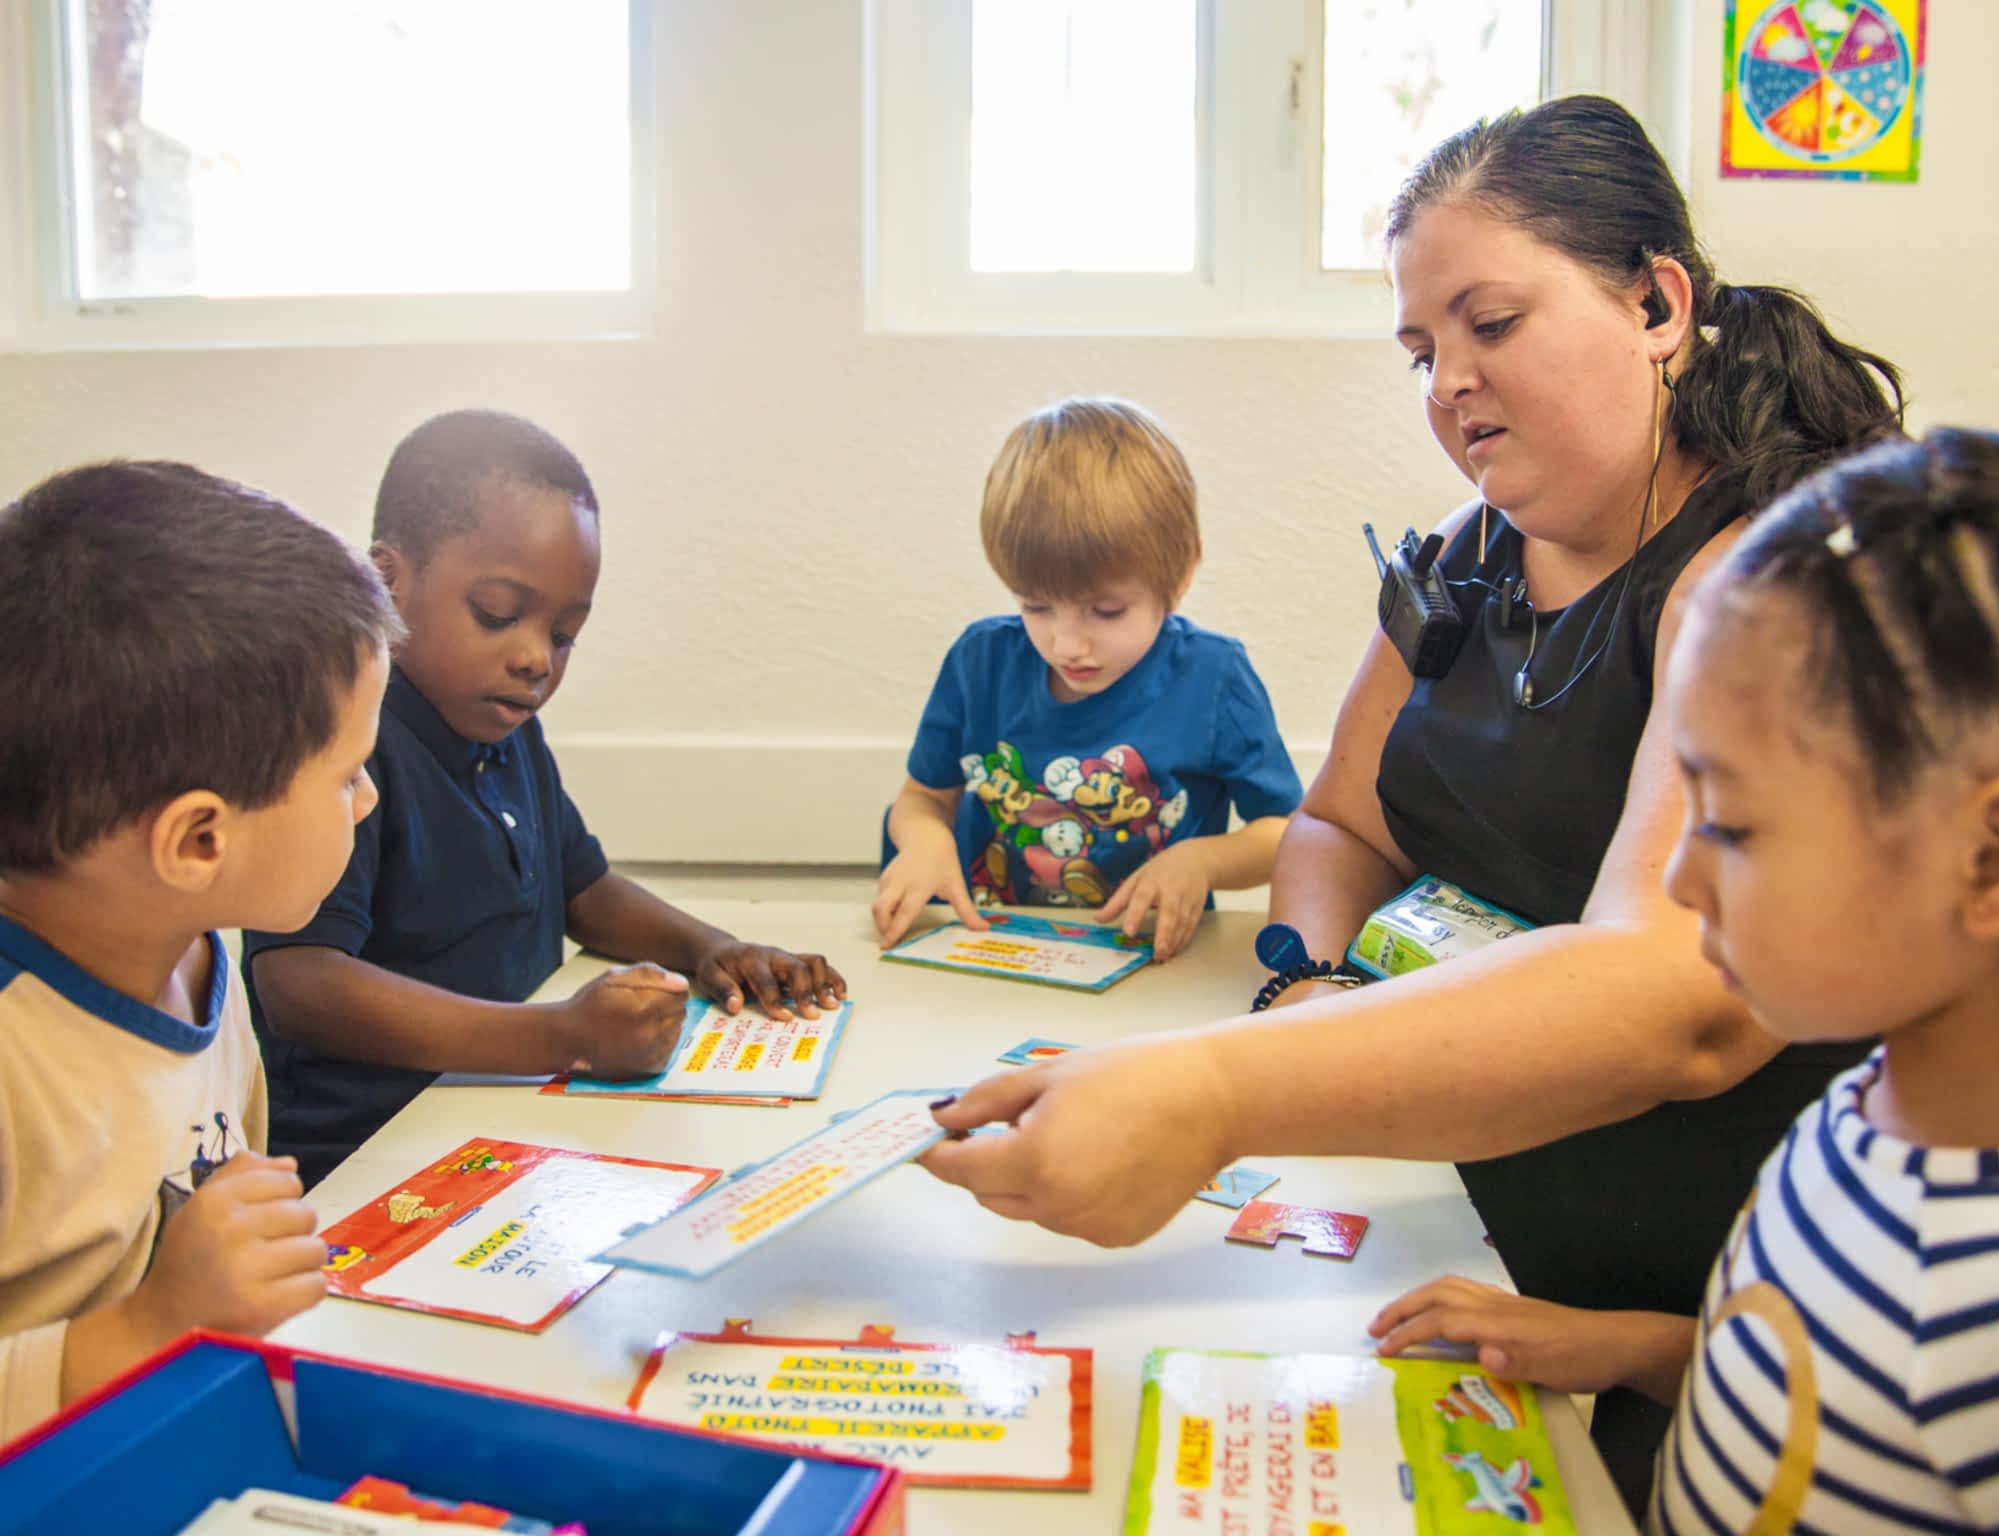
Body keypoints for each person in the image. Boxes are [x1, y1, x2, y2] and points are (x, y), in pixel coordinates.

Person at [919, 96, 1904, 1506]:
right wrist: (1311, 983)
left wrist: (1217, 1092)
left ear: (1658, 302)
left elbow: (1681, 996)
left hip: (1714, 1329)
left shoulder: (1761, 570)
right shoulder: (1466, 550)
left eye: (1489, 324)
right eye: (1420, 350)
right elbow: (1340, 824)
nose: (1448, 382)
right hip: (1460, 1217)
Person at [1371, 425, 1999, 1534]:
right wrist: (1631, 1349)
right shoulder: (1862, 1114)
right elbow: (1826, 1401)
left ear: (1998, 861)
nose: (1678, 876)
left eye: (1728, 824)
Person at [245, 411, 846, 1187]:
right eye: (497, 614)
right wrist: (560, 1035)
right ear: (389, 580)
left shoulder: (505, 724)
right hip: (366, 1165)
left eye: (564, 634)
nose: (535, 659)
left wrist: (710, 952)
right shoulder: (345, 747)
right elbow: (301, 984)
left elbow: (582, 889)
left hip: (504, 1123)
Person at [0, 461, 400, 1439]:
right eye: (348, 774)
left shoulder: (192, 945)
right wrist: (148, 1325)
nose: (370, 799)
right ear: (199, 841)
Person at [873, 397, 1301, 961]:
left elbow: (1286, 833)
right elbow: (922, 798)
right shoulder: (981, 661)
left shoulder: (1214, 678)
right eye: (1036, 606)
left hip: (1150, 962)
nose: (1066, 645)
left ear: (1183, 572)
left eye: (1106, 612)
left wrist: (1201, 861)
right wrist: (926, 840)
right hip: (989, 949)